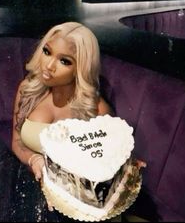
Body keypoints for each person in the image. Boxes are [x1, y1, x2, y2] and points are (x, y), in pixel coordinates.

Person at [10, 21, 112, 221]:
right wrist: (34, 160)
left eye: (64, 61)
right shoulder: (27, 89)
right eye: (47, 51)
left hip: (70, 200)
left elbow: (106, 162)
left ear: (80, 68)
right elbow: (16, 141)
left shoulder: (97, 109)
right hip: (26, 179)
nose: (49, 65)